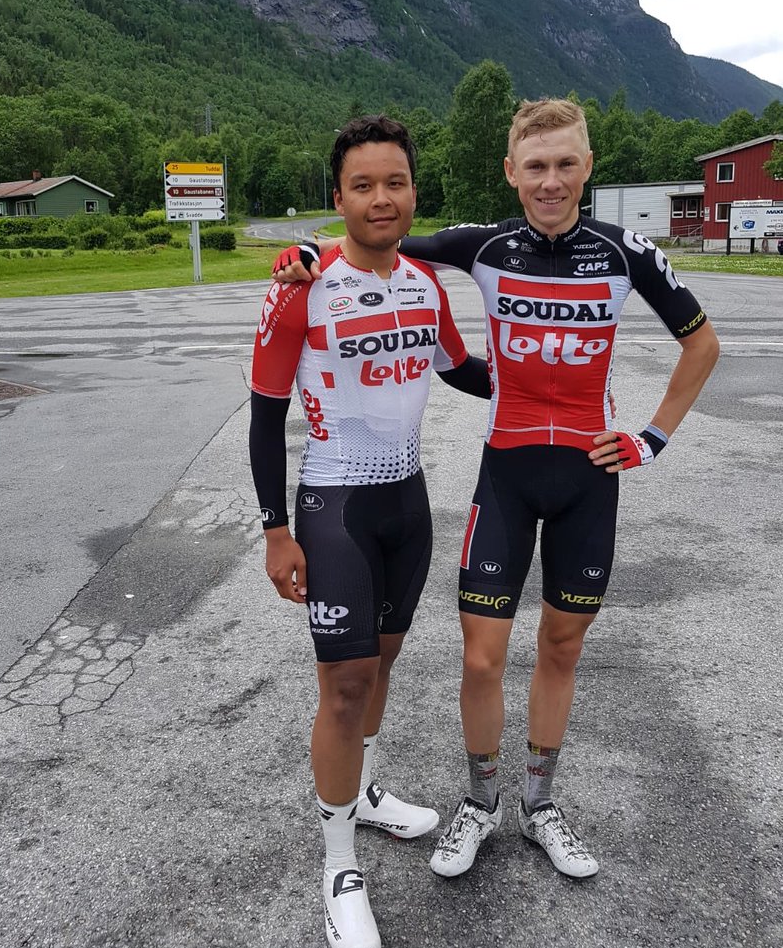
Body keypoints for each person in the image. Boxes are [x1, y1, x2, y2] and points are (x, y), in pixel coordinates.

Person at [273, 97, 720, 883]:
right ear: (512, 171)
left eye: (566, 164)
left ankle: (540, 806)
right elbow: (378, 231)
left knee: (562, 648)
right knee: (481, 661)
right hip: (506, 475)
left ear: (587, 167)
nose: (551, 181)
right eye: (536, 166)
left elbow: (703, 344)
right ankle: (480, 805)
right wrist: (305, 249)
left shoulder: (625, 252)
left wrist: (650, 438)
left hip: (588, 480)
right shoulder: (484, 245)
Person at [249, 115, 490, 948]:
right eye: (362, 185)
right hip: (335, 502)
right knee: (345, 683)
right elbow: (264, 415)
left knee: (381, 664)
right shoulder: (302, 286)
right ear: (339, 196)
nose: (380, 198)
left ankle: (366, 789)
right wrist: (275, 532)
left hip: (407, 505)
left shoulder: (426, 282)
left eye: (395, 182)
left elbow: (462, 369)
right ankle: (339, 865)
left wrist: (545, 380)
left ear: (414, 191)